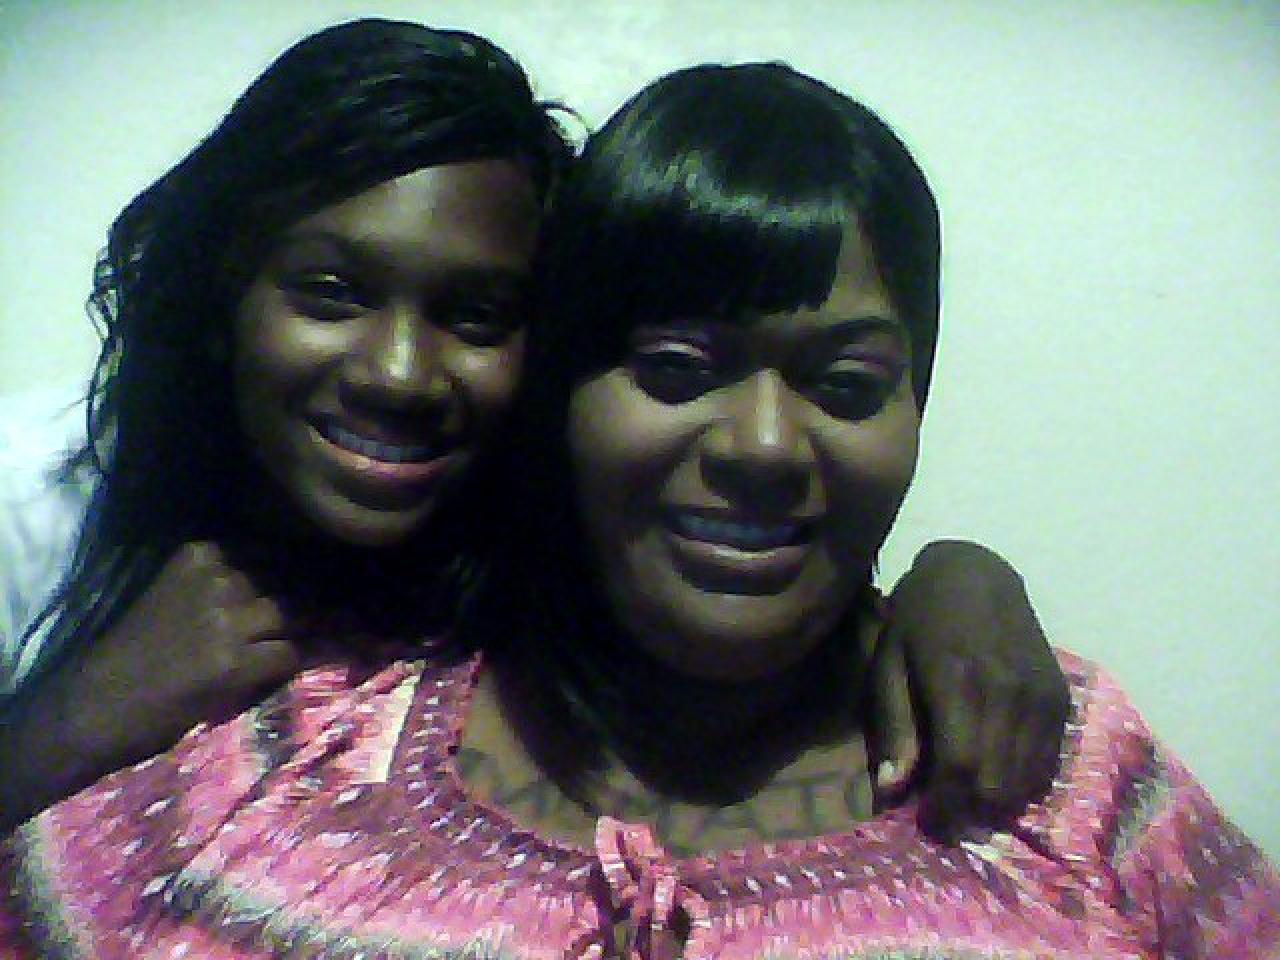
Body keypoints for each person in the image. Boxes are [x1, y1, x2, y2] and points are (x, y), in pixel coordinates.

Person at [3, 52, 1274, 958]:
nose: (764, 446)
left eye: (845, 386)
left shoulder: (1054, 765)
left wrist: (963, 567)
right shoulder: (276, 726)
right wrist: (55, 729)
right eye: (672, 369)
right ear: (560, 396)